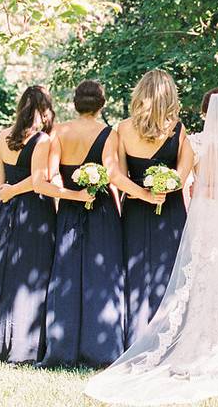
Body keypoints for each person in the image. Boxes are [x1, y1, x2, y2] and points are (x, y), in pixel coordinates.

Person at [84, 93, 218, 405]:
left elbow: (185, 179)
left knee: (195, 273)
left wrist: (193, 188)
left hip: (203, 213)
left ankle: (160, 336)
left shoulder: (194, 141)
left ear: (203, 112)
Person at [36, 80, 125, 368]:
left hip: (70, 212)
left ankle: (63, 348)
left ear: (75, 102)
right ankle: (103, 348)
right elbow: (114, 176)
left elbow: (51, 178)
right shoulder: (108, 134)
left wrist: (71, 195)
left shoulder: (58, 132)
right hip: (102, 211)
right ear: (101, 104)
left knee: (68, 276)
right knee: (103, 275)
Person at [0, 86, 56, 364]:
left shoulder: (3, 136)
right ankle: (26, 346)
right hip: (35, 211)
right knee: (33, 274)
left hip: (8, 211)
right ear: (44, 110)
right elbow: (38, 180)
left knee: (6, 273)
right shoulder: (42, 140)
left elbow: (0, 181)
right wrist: (16, 190)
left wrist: (7, 192)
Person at [108, 70, 194, 345]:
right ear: (170, 96)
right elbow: (183, 173)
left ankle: (137, 337)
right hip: (170, 209)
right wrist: (163, 190)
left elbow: (117, 176)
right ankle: (171, 337)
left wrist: (143, 195)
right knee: (169, 270)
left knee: (137, 270)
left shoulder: (122, 129)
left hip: (136, 208)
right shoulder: (178, 130)